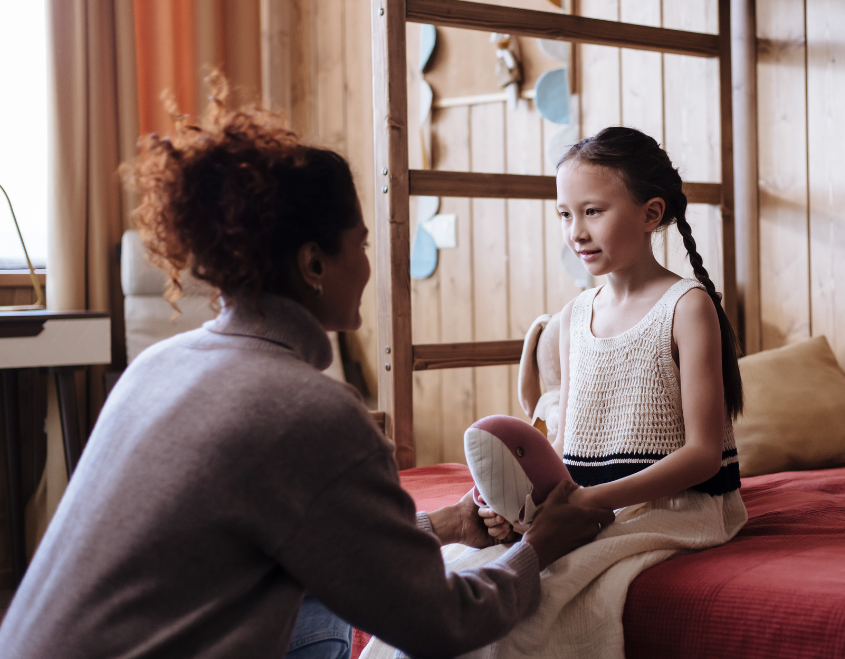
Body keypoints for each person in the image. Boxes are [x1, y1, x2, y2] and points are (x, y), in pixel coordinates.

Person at [0, 75, 613, 659]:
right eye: (362, 245)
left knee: (322, 597)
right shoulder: (310, 411)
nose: (370, 268)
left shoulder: (160, 366)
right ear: (314, 263)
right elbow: (444, 620)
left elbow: (303, 533)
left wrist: (448, 524)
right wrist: (538, 547)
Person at [384, 126, 748, 659]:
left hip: (672, 506)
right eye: (565, 214)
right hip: (590, 501)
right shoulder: (575, 316)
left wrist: (592, 500)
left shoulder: (686, 306)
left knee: (545, 594)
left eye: (593, 212)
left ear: (652, 213)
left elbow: (702, 454)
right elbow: (568, 442)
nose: (576, 231)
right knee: (450, 579)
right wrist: (518, 506)